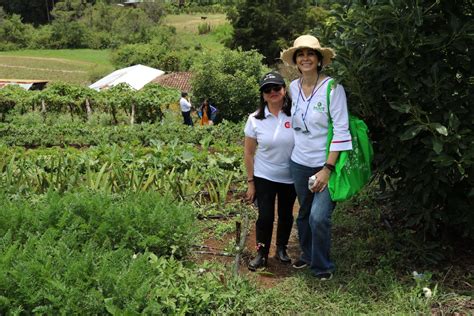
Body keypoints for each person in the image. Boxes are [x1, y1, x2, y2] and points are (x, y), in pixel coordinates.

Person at [280, 35, 353, 280]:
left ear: (319, 59)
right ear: (296, 61)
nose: (305, 58)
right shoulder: (292, 87)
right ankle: (308, 255)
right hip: (299, 162)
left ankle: (322, 266)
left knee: (319, 217)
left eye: (310, 54)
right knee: (304, 213)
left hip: (324, 165)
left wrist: (327, 168)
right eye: (301, 54)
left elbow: (342, 131)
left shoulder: (333, 89)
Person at [244, 71, 297, 271]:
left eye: (276, 88)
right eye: (267, 89)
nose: (272, 92)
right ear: (263, 95)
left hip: (290, 176)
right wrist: (251, 182)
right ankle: (261, 252)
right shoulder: (255, 119)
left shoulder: (295, 115)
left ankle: (281, 249)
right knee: (265, 217)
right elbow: (249, 153)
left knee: (286, 214)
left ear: (284, 90)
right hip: (264, 175)